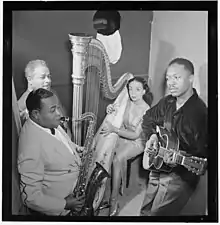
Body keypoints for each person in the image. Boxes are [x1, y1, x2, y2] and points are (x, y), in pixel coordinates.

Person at [140, 58, 208, 216]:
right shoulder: (168, 102)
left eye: (176, 78)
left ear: (191, 79)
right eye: (168, 78)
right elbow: (148, 118)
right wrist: (152, 137)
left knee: (158, 214)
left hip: (179, 177)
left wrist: (181, 159)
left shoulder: (200, 114)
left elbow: (204, 153)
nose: (170, 83)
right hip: (157, 164)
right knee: (145, 211)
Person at [17, 88, 85, 216]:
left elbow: (58, 142)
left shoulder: (47, 122)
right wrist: (65, 204)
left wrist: (74, 149)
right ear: (36, 114)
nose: (59, 113)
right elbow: (30, 197)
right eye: (53, 110)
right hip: (63, 208)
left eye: (57, 107)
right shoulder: (31, 147)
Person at [100, 77, 153, 216]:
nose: (133, 93)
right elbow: (116, 113)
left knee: (117, 159)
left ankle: (113, 201)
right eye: (130, 89)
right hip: (123, 136)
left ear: (144, 91)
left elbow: (136, 135)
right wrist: (110, 108)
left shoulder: (147, 110)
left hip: (138, 141)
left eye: (137, 89)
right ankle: (103, 194)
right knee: (106, 150)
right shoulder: (126, 101)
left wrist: (114, 130)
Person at [17, 59, 71, 136]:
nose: (48, 80)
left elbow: (64, 123)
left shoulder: (52, 93)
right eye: (42, 77)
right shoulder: (21, 107)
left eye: (49, 76)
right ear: (30, 79)